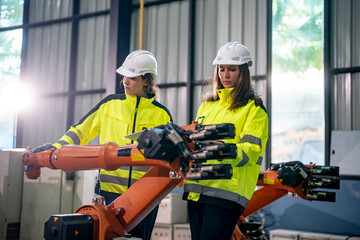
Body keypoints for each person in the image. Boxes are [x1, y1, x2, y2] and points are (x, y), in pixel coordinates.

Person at [32, 50, 172, 240]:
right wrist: (56, 149)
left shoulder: (162, 115)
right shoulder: (109, 104)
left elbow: (168, 157)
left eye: (132, 77)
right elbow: (80, 131)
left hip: (145, 197)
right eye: (124, 76)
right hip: (108, 195)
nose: (125, 81)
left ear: (146, 81)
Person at [182, 42, 269, 240]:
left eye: (232, 69)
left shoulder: (253, 109)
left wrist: (223, 149)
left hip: (225, 193)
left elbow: (251, 151)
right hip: (196, 191)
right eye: (221, 69)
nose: (225, 75)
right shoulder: (207, 106)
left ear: (243, 72)